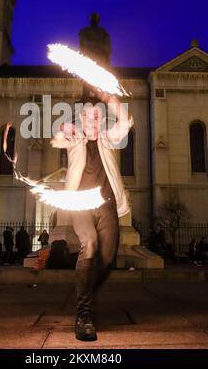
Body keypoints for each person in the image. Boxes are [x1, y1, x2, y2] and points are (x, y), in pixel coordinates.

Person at [51, 90, 133, 341]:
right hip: (81, 205)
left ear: (101, 121)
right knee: (90, 246)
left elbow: (126, 122)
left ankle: (85, 288)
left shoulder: (108, 139)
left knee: (107, 259)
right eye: (86, 118)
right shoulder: (75, 140)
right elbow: (57, 140)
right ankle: (84, 315)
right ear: (81, 121)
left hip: (107, 206)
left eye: (96, 118)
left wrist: (111, 100)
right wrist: (63, 129)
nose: (91, 122)